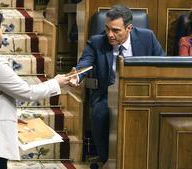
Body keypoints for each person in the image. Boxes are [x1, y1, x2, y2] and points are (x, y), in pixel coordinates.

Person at [0, 9, 70, 169]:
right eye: (1, 31)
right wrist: (56, 83)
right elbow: (28, 93)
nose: (3, 35)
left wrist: (9, 117)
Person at [69, 4, 165, 165]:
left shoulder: (147, 38)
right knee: (99, 114)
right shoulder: (97, 42)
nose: (109, 34)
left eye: (115, 30)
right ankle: (108, 161)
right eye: (107, 29)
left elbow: (163, 63)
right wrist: (77, 77)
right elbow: (85, 63)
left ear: (129, 28)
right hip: (108, 94)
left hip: (144, 93)